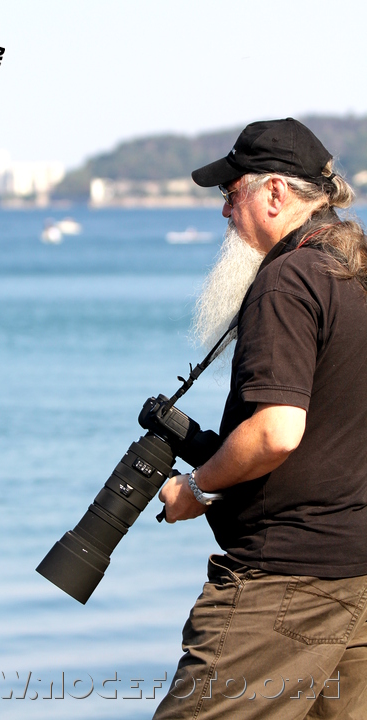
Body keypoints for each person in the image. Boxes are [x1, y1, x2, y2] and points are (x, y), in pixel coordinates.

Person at [153, 118, 367, 720]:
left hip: (284, 583)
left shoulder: (288, 280)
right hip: (355, 573)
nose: (224, 212)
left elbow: (276, 433)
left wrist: (197, 488)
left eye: (231, 193)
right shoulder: (355, 272)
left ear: (275, 194)